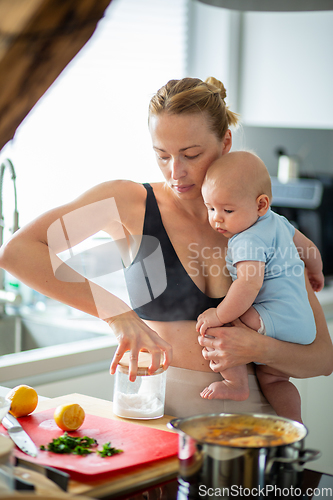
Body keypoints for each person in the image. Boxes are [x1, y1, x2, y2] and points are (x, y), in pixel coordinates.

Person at [0, 77, 332, 419]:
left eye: (191, 155)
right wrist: (117, 314)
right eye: (162, 155)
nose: (176, 172)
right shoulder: (127, 203)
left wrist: (259, 348)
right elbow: (18, 252)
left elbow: (322, 358)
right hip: (157, 419)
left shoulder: (259, 223)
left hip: (256, 424)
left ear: (225, 142)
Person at [196, 151, 324, 422]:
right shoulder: (278, 222)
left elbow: (248, 283)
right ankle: (294, 424)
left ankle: (236, 385)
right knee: (275, 379)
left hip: (273, 318)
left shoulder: (247, 239)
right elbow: (309, 248)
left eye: (227, 210)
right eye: (211, 208)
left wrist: (219, 314)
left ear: (261, 204)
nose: (217, 219)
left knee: (224, 326)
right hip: (302, 323)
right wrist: (316, 272)